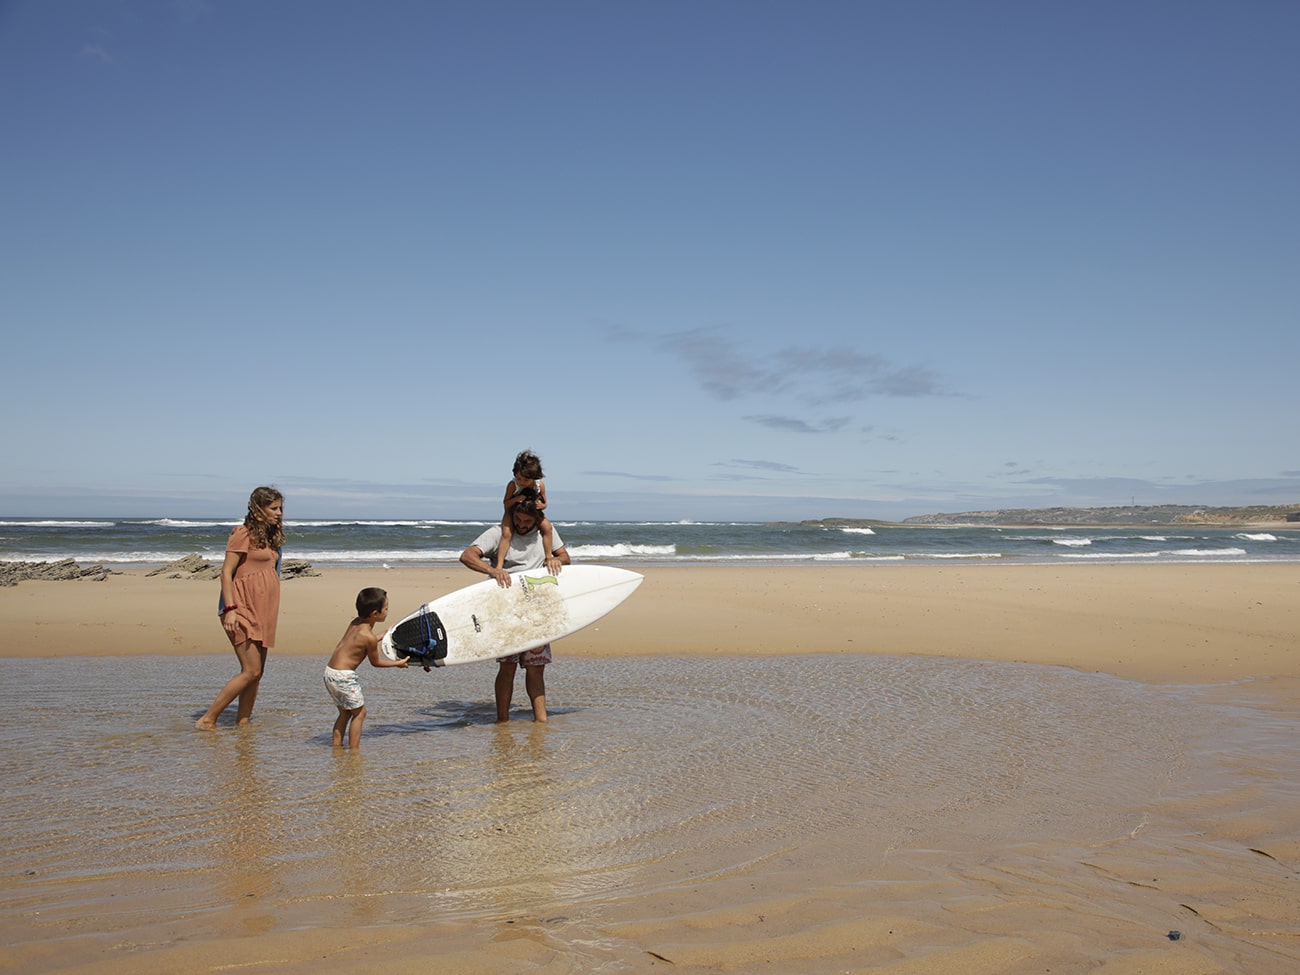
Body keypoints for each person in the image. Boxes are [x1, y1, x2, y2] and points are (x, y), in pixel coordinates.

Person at [460, 497, 570, 722]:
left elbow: (565, 557)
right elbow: (467, 556)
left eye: (526, 521)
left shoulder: (545, 534)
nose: (521, 525)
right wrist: (493, 571)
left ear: (537, 519)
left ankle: (541, 721)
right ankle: (502, 720)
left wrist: (556, 561)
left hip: (537, 611)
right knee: (507, 667)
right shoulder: (498, 533)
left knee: (536, 668)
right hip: (506, 611)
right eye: (517, 519)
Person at [196, 486, 286, 729]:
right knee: (250, 670)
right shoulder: (242, 533)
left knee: (257, 674)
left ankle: (243, 723)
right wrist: (230, 609)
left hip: (264, 610)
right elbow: (226, 572)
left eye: (280, 508)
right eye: (273, 508)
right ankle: (207, 719)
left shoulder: (271, 537)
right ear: (258, 509)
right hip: (241, 607)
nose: (278, 513)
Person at [324, 587, 408, 749]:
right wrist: (397, 663)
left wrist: (383, 634)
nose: (387, 611)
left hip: (330, 673)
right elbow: (375, 662)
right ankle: (354, 752)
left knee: (345, 712)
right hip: (344, 677)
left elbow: (358, 644)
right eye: (386, 609)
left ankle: (337, 748)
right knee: (360, 713)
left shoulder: (355, 623)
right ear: (374, 614)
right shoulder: (368, 637)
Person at [495, 449, 557, 572]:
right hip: (512, 510)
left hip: (532, 511)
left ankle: (548, 557)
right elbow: (506, 503)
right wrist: (516, 499)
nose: (521, 483)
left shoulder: (540, 485)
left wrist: (542, 506)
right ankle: (499, 565)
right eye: (519, 478)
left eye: (525, 480)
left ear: (534, 477)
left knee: (548, 528)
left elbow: (545, 503)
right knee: (506, 534)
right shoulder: (513, 485)